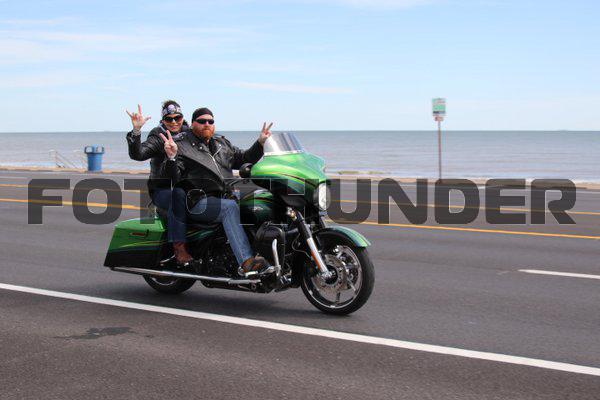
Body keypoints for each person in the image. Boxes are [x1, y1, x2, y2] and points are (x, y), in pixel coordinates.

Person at [160, 107, 273, 274]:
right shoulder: (181, 145)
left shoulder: (222, 143)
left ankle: (268, 254)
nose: (207, 124)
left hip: (226, 195)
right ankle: (246, 261)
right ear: (192, 124)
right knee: (229, 208)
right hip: (198, 201)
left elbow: (244, 158)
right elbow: (172, 177)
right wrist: (171, 157)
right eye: (202, 121)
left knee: (262, 199)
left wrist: (260, 143)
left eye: (210, 121)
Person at [125, 101, 193, 264]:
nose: (174, 122)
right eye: (169, 119)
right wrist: (136, 130)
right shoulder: (158, 136)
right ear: (163, 120)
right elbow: (138, 154)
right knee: (178, 195)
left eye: (177, 118)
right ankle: (178, 247)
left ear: (182, 118)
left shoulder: (190, 135)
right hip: (163, 190)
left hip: (188, 187)